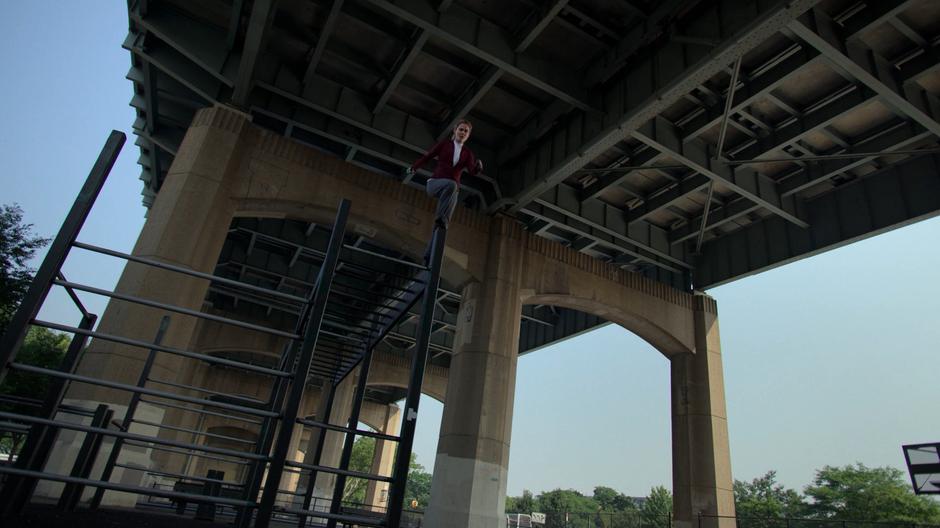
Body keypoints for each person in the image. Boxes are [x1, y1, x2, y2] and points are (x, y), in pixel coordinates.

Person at [405, 119, 483, 230]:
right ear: (455, 130)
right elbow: (428, 156)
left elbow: (472, 171)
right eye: (461, 129)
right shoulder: (445, 144)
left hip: (451, 188)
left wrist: (478, 168)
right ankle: (440, 218)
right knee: (452, 185)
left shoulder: (468, 153)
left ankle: (442, 226)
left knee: (455, 195)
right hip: (435, 183)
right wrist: (413, 168)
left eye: (466, 131)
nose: (463, 133)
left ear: (468, 135)